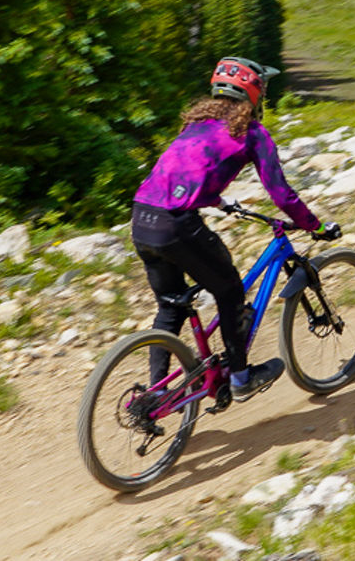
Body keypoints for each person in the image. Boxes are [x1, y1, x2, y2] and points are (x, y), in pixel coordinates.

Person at [129, 57, 328, 409]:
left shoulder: (196, 124)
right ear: (254, 92)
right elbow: (280, 193)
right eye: (262, 89)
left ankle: (155, 393)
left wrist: (217, 200)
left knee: (170, 308)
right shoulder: (252, 133)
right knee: (230, 290)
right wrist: (314, 224)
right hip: (177, 224)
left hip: (142, 218)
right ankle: (240, 378)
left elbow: (184, 173)